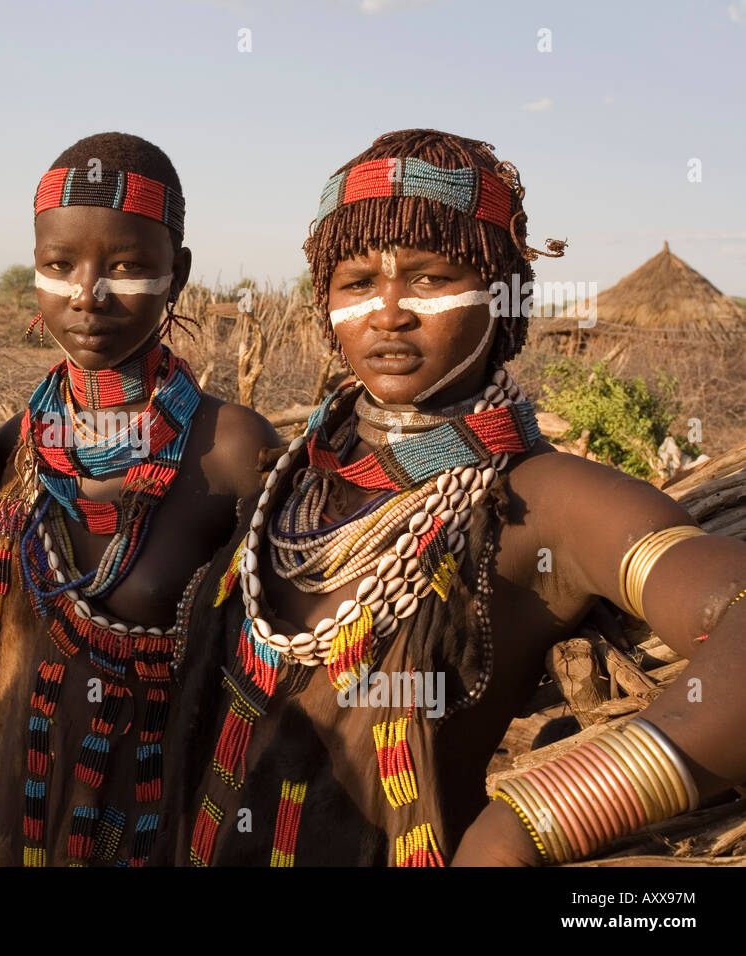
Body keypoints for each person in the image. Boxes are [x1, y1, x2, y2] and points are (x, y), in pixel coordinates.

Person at [172, 128, 746, 867]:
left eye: (431, 278)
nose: (388, 312)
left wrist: (526, 825)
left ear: (501, 291)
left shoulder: (548, 499)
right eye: (355, 283)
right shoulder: (291, 479)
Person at [0, 132, 277, 866]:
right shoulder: (9, 448)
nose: (88, 294)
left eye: (126, 266)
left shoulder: (232, 449)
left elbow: (271, 679)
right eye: (59, 266)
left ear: (175, 273)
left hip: (156, 829)